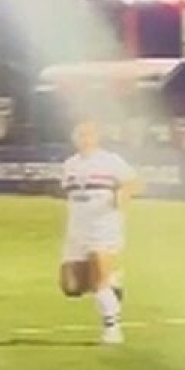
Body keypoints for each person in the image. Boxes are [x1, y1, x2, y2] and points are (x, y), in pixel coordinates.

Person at [59, 120, 142, 345]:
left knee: (98, 281)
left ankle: (112, 328)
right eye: (80, 135)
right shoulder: (69, 165)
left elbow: (134, 182)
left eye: (89, 135)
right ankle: (112, 280)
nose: (84, 139)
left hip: (104, 226)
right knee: (71, 287)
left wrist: (122, 195)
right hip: (76, 231)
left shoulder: (111, 161)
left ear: (97, 138)